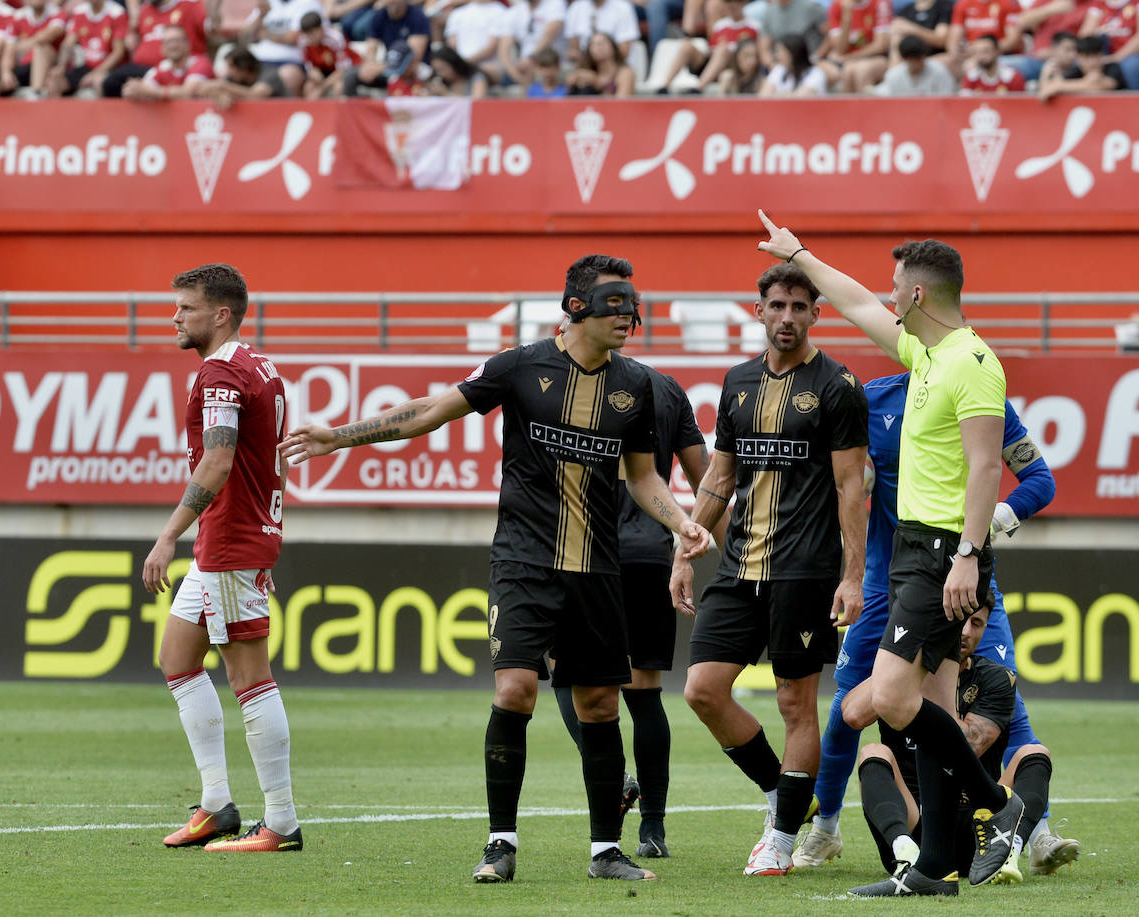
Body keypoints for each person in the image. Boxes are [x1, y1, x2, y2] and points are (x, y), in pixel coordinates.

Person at [280, 254, 709, 884]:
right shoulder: (520, 366)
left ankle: (604, 852)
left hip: (597, 569)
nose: (630, 316)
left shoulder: (638, 386)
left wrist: (682, 521)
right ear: (575, 308)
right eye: (615, 304)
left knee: (597, 704)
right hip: (524, 560)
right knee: (515, 690)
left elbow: (642, 477)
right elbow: (430, 411)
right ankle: (500, 844)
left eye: (633, 305)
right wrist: (338, 436)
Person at [754, 210, 1023, 897]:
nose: (886, 294)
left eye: (895, 285)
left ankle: (998, 802)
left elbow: (987, 467)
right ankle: (932, 869)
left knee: (892, 700)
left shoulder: (973, 361)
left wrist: (967, 554)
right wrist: (801, 254)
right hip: (914, 551)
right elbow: (851, 301)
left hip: (940, 556)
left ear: (918, 295)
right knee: (929, 699)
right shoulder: (926, 352)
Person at [800, 370, 1068, 877]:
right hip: (887, 585)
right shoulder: (872, 401)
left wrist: (984, 526)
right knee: (847, 706)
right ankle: (825, 828)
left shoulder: (980, 395)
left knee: (1003, 696)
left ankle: (1034, 831)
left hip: (965, 578)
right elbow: (844, 485)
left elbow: (1041, 480)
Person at [671, 262, 869, 877]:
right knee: (702, 690)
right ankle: (786, 796)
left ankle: (782, 840)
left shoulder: (837, 386)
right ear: (758, 310)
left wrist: (853, 574)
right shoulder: (736, 384)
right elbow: (721, 477)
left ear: (816, 313)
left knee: (794, 704)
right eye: (776, 305)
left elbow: (850, 488)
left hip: (805, 571)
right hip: (737, 567)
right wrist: (684, 546)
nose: (787, 317)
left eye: (799, 307)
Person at [143, 263, 301, 854]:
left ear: (220, 314)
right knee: (178, 657)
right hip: (232, 536)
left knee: (247, 678)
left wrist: (167, 537)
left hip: (231, 541)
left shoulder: (220, 374)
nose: (175, 318)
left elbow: (218, 462)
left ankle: (281, 823)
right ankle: (216, 805)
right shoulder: (259, 364)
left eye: (184, 307)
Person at [554, 361, 719, 860]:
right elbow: (706, 475)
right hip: (650, 552)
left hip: (586, 552)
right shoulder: (668, 389)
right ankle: (653, 830)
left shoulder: (574, 381)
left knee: (566, 676)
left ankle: (617, 778)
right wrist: (698, 537)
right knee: (644, 693)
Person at [845, 605, 1079, 883]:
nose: (966, 632)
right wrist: (908, 665)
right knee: (873, 752)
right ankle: (903, 851)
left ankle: (1008, 850)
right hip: (916, 821)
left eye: (977, 624)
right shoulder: (901, 678)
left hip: (980, 827)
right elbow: (853, 714)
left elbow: (961, 749)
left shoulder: (996, 678)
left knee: (1034, 753)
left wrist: (942, 679)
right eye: (959, 622)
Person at [1078, 0, 1139, 91]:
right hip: (1105, 57)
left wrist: (1114, 58)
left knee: (1132, 65)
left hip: (1138, 58)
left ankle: (1136, 101)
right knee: (1080, 62)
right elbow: (1085, 37)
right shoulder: (1099, 4)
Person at [122, 24, 213, 99]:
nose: (173, 45)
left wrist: (150, 91)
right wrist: (133, 89)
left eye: (177, 40)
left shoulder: (201, 63)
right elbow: (136, 90)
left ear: (188, 44)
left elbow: (187, 93)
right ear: (162, 48)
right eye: (168, 42)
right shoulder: (161, 68)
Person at [1037, 33, 1124, 98]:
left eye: (1096, 56)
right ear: (1078, 58)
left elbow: (1105, 86)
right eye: (1087, 57)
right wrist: (1046, 74)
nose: (1092, 61)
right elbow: (1046, 89)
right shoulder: (1076, 71)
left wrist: (1059, 86)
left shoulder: (1111, 67)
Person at [877, 34, 956, 94]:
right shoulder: (893, 75)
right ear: (905, 59)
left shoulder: (939, 71)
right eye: (915, 60)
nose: (919, 63)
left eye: (921, 58)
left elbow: (947, 100)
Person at [565, 30, 634, 95]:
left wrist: (596, 83)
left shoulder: (624, 73)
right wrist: (575, 79)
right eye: (593, 45)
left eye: (601, 43)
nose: (598, 48)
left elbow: (621, 103)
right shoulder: (586, 69)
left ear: (612, 47)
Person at [759, 32, 826, 93]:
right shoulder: (779, 70)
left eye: (780, 51)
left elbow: (798, 98)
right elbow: (764, 96)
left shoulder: (816, 73)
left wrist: (776, 95)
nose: (777, 55)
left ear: (793, 53)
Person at [959, 33, 1025, 92]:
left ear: (997, 51)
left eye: (986, 51)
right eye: (977, 52)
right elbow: (964, 102)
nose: (981, 56)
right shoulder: (971, 77)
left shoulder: (1012, 77)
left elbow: (1020, 104)